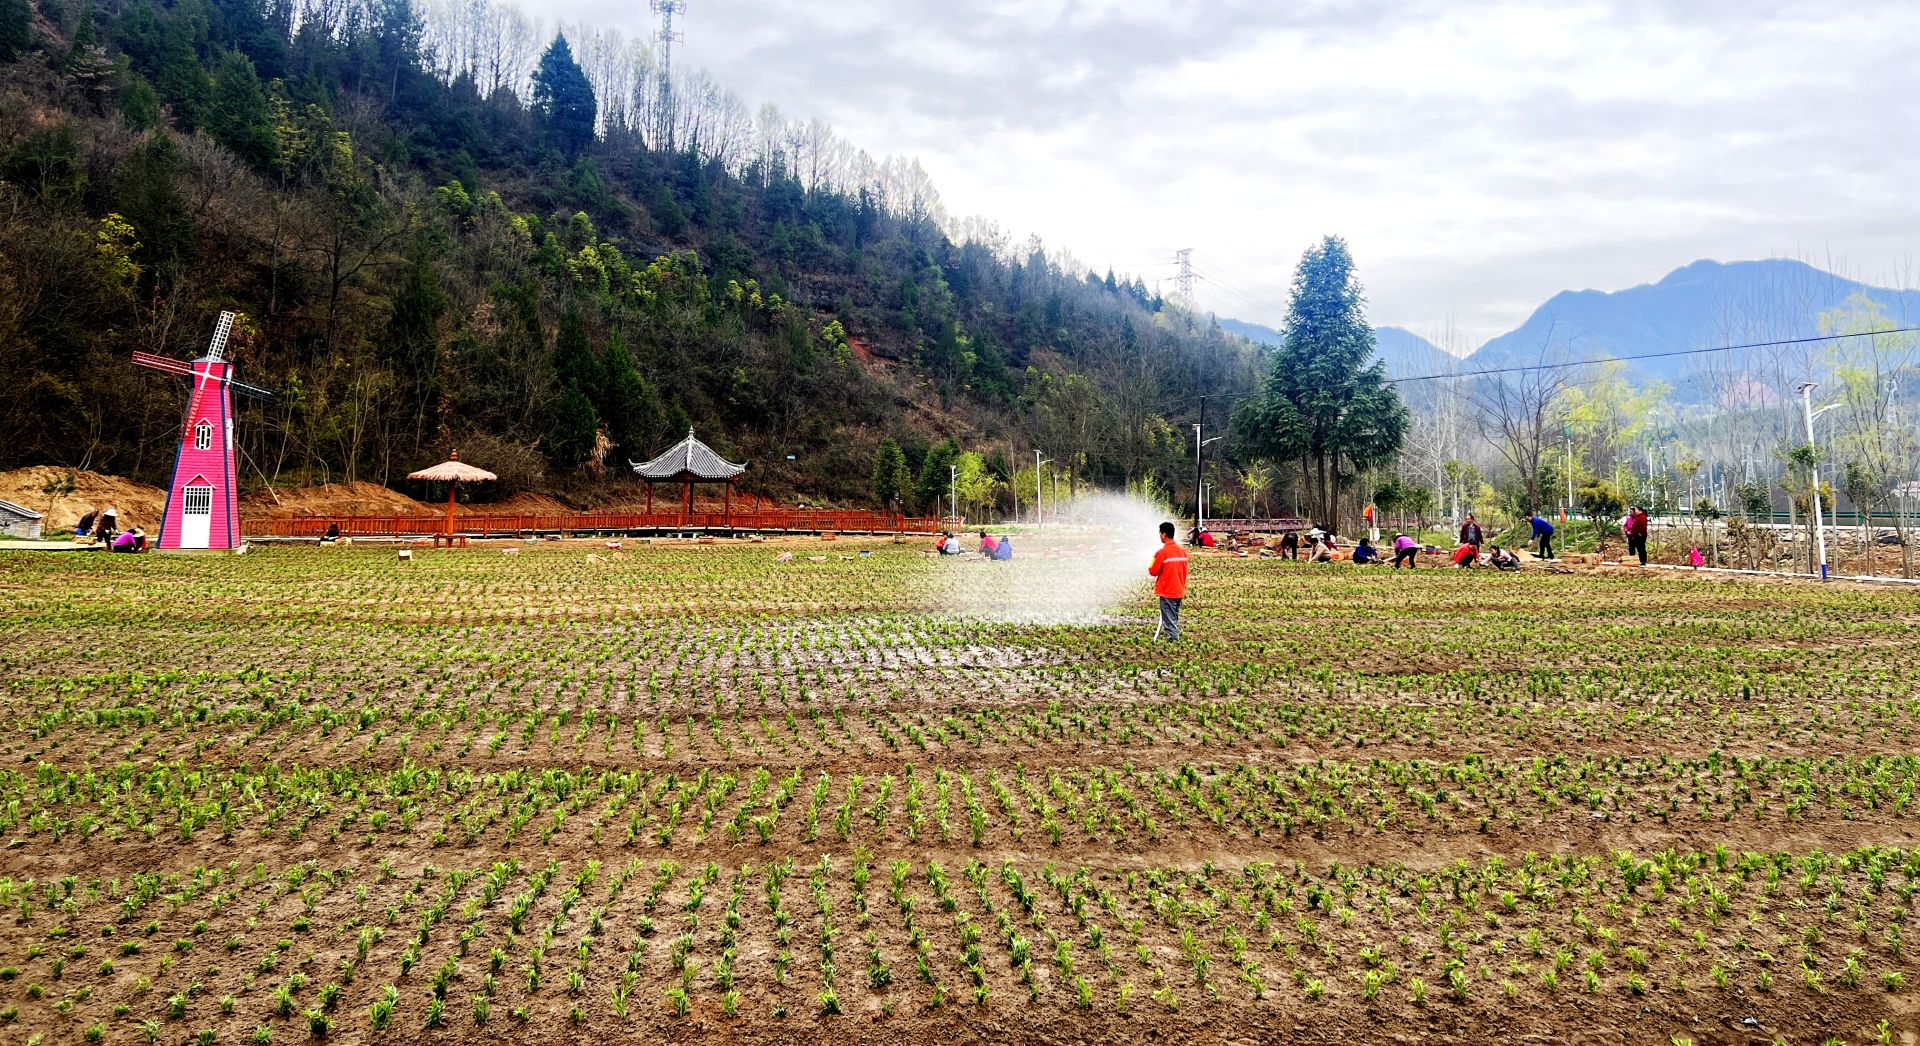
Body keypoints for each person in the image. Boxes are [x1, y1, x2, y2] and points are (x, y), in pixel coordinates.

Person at [1148, 521, 1189, 641]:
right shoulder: (1182, 551)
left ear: (1164, 535)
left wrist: (1152, 561)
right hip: (1178, 590)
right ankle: (1173, 639)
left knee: (1169, 621)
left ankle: (1174, 642)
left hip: (1167, 592)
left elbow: (1153, 571)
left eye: (1160, 534)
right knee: (1173, 618)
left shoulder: (1161, 553)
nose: (1160, 536)